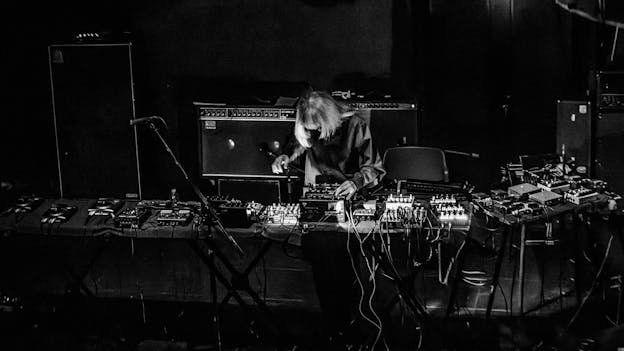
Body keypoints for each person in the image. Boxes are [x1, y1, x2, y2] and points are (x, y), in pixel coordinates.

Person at [271, 90, 385, 346]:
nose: (313, 135)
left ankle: (348, 333)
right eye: (308, 130)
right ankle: (334, 332)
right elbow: (298, 147)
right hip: (317, 212)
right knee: (323, 272)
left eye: (316, 130)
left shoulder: (355, 124)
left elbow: (374, 167)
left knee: (344, 273)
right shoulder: (307, 130)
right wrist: (285, 157)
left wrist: (356, 183)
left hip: (348, 209)